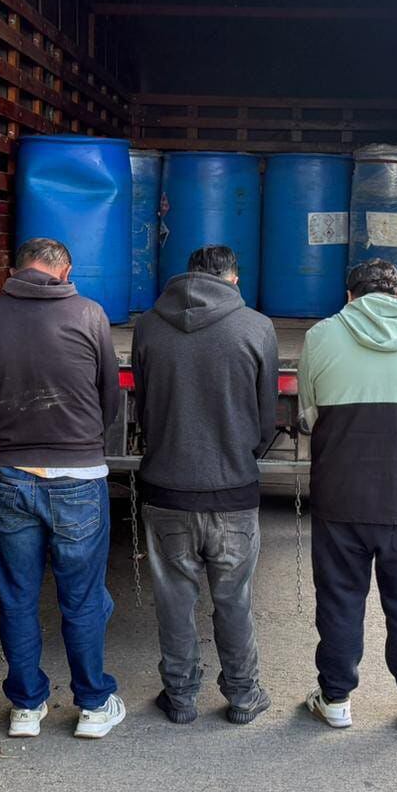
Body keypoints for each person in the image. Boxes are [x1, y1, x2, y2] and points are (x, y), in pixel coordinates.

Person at [0, 237, 125, 740]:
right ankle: (94, 706)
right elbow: (109, 395)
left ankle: (25, 707)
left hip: (8, 475)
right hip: (77, 475)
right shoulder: (90, 314)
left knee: (16, 597)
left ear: (17, 270)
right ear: (65, 270)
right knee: (81, 598)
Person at [297, 258, 397, 733]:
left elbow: (309, 414)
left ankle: (335, 700)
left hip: (340, 498)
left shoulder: (322, 336)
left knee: (340, 600)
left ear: (350, 298)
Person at [132, 245, 279, 726]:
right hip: (233, 489)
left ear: (188, 276)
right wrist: (241, 457)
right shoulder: (256, 327)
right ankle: (242, 695)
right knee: (233, 599)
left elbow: (144, 408)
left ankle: (180, 697)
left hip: (165, 487)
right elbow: (265, 421)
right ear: (233, 280)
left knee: (174, 599)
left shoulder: (150, 325)